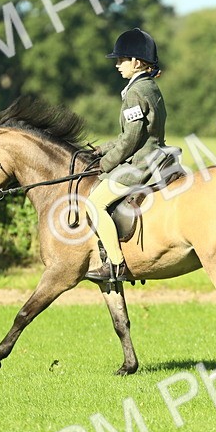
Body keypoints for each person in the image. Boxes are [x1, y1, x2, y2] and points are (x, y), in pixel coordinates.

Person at [85, 27, 168, 283]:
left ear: (136, 61)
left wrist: (106, 163)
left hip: (141, 163)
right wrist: (102, 149)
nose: (117, 65)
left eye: (121, 60)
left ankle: (116, 264)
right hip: (156, 153)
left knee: (94, 203)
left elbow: (132, 138)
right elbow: (134, 134)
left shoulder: (134, 92)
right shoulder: (149, 86)